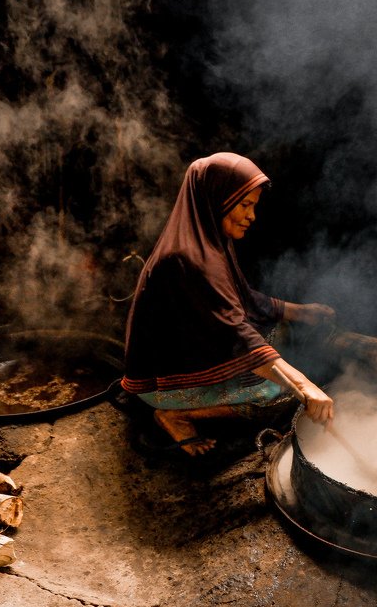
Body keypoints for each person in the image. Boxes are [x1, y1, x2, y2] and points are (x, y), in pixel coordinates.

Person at [121, 152, 335, 455]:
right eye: (245, 205)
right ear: (216, 199)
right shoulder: (188, 259)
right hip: (161, 383)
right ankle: (176, 415)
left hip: (187, 351)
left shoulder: (207, 241)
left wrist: (299, 312)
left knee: (277, 334)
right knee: (276, 395)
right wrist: (304, 386)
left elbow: (243, 299)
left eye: (254, 206)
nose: (252, 216)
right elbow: (236, 332)